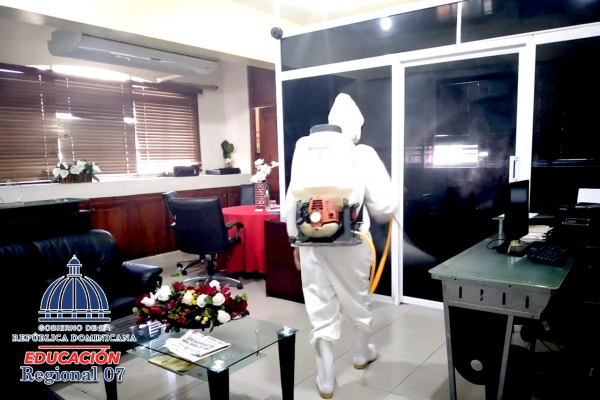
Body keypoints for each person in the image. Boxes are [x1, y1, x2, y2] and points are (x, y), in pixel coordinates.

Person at [285, 93, 396, 398]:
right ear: (357, 126)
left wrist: (295, 242)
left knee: (319, 305)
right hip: (353, 242)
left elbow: (292, 200)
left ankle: (325, 381)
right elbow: (384, 206)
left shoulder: (305, 150)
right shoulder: (363, 152)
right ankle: (361, 354)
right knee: (358, 300)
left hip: (310, 241)